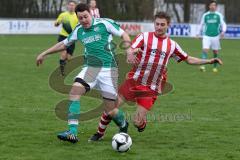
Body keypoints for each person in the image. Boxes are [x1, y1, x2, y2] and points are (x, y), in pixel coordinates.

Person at [89, 11, 223, 141]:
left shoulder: (172, 45)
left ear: (168, 25)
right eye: (157, 24)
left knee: (137, 122)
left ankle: (141, 123)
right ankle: (99, 134)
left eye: (162, 24)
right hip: (133, 81)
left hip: (150, 88)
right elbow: (131, 48)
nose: (159, 27)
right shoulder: (144, 37)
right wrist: (131, 52)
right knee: (111, 107)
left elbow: (188, 59)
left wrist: (209, 61)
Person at [36, 3, 135, 143]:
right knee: (74, 92)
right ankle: (72, 132)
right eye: (80, 18)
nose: (84, 20)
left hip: (109, 70)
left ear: (91, 13)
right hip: (91, 68)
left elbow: (124, 34)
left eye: (85, 16)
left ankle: (123, 125)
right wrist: (44, 53)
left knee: (110, 110)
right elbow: (64, 44)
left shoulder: (104, 24)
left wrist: (129, 50)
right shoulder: (79, 30)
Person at [197, 0, 226, 72]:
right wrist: (198, 33)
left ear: (216, 7)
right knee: (205, 50)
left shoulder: (219, 15)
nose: (213, 6)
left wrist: (223, 32)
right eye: (211, 5)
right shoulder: (205, 15)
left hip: (216, 36)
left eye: (214, 5)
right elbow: (201, 24)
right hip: (206, 36)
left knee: (215, 52)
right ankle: (202, 66)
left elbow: (223, 24)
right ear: (209, 6)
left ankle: (215, 67)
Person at [55, 0, 78, 76]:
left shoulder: (77, 16)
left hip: (72, 38)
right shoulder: (63, 15)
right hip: (63, 37)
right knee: (63, 54)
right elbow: (56, 24)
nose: (71, 6)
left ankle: (64, 67)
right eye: (70, 5)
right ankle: (62, 72)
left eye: (73, 5)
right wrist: (57, 22)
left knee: (69, 58)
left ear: (75, 7)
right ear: (67, 6)